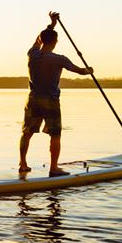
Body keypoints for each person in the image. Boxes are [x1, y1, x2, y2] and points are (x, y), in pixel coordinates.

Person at [19, 11, 93, 177]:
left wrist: (51, 25)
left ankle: (22, 164)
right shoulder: (59, 59)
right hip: (50, 101)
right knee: (55, 134)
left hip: (32, 99)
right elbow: (79, 71)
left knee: (27, 132)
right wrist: (89, 70)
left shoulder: (33, 54)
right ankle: (54, 168)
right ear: (55, 42)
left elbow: (38, 40)